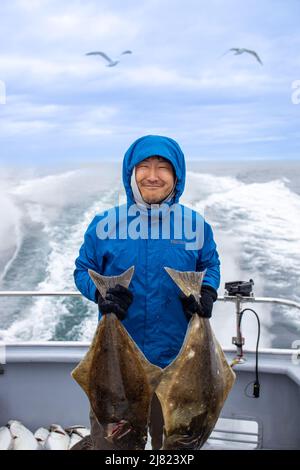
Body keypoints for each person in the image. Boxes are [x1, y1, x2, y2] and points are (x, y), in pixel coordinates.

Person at [74, 135, 220, 449]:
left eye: (163, 167)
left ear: (177, 176)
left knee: (176, 444)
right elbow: (82, 269)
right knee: (115, 446)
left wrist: (207, 290)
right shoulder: (104, 224)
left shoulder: (196, 225)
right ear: (131, 173)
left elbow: (210, 263)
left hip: (178, 363)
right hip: (117, 365)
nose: (152, 175)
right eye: (144, 166)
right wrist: (100, 295)